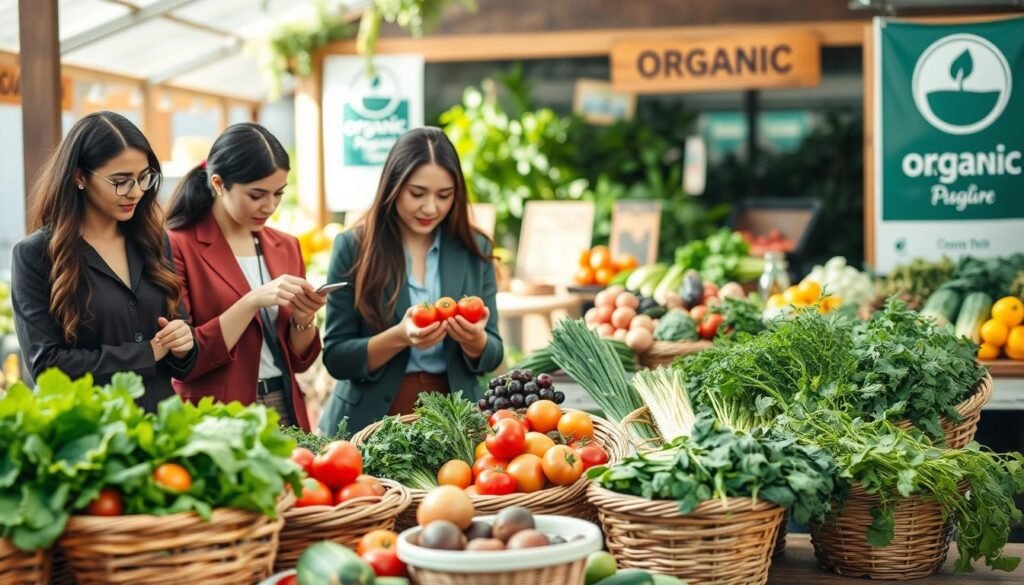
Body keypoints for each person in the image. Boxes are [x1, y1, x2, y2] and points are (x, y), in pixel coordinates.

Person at [318, 127, 503, 435]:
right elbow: (337, 358)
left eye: (444, 196)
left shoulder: (475, 249)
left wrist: (475, 340)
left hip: (456, 420)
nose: (430, 208)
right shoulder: (354, 247)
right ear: (393, 186)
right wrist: (400, 336)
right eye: (417, 194)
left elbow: (495, 353)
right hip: (370, 420)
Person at [11, 111, 196, 411]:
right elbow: (48, 369)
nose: (135, 192)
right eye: (120, 181)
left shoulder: (153, 241)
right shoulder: (34, 255)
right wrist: (147, 352)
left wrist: (184, 344)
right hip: (93, 436)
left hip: (164, 431)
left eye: (144, 178)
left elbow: (179, 345)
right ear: (79, 176)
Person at [165, 123, 324, 430]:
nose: (270, 206)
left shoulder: (286, 246)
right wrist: (251, 301)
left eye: (278, 194)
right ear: (219, 183)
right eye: (257, 194)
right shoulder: (177, 245)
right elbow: (186, 357)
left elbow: (300, 359)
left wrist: (304, 319)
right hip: (218, 416)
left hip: (285, 405)